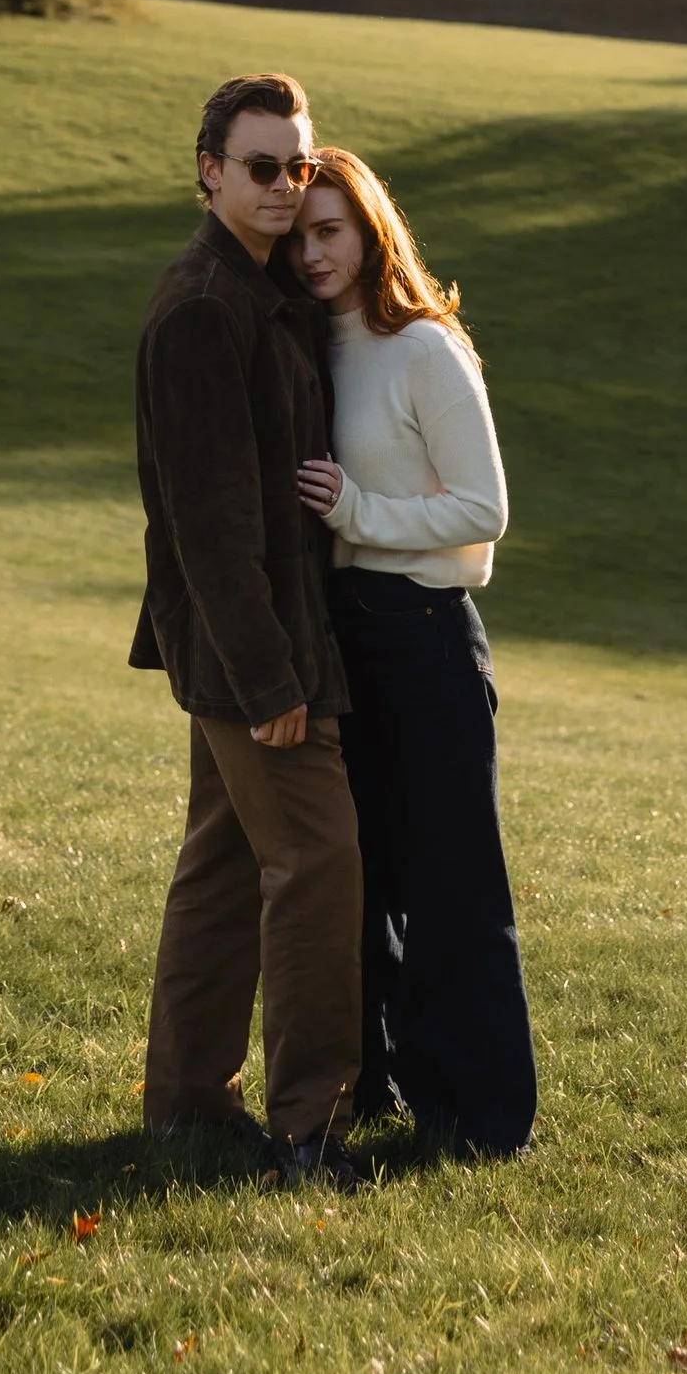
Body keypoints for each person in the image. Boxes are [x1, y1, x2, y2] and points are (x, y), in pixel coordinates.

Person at [129, 69, 364, 1189]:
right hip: (251, 654)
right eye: (262, 167)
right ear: (209, 171)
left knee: (223, 865)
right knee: (316, 863)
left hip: (257, 640)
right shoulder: (205, 311)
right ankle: (307, 1133)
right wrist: (273, 681)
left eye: (300, 167)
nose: (285, 187)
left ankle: (182, 1106)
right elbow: (208, 525)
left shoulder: (266, 296)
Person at [290, 149, 537, 1159]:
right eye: (300, 233)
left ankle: (483, 1122)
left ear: (372, 230)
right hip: (346, 636)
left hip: (427, 639)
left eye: (330, 230)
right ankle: (386, 1088)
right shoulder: (311, 344)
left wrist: (356, 512)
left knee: (452, 887)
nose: (311, 252)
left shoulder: (425, 349)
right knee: (367, 878)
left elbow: (486, 510)